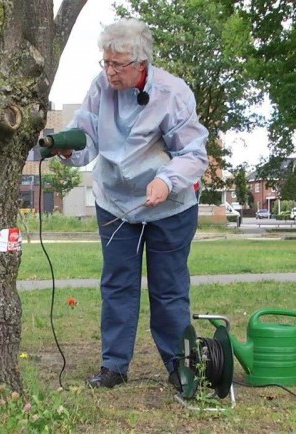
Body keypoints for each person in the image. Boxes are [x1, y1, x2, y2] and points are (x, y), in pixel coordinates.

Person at [52, 18, 209, 389]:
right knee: (117, 283)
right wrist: (67, 150)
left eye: (117, 65)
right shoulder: (100, 89)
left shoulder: (172, 92)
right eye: (105, 63)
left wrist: (166, 179)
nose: (109, 72)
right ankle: (114, 366)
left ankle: (178, 364)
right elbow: (87, 142)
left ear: (141, 63)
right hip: (115, 201)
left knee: (168, 287)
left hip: (168, 204)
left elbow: (194, 153)